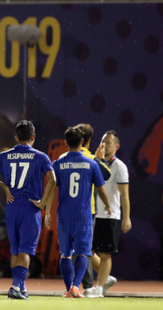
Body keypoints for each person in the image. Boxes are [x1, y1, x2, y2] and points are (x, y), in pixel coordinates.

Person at [0, 120, 55, 300]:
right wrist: (43, 203)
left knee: (15, 251)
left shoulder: (5, 155)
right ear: (33, 137)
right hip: (30, 208)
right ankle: (15, 286)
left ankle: (20, 286)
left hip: (12, 207)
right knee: (26, 251)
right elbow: (52, 180)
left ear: (16, 137)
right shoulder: (40, 156)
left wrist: (4, 188)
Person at [35, 127, 111, 298]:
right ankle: (76, 287)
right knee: (83, 252)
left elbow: (51, 187)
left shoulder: (58, 163)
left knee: (65, 254)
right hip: (83, 216)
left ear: (66, 142)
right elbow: (102, 190)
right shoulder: (91, 163)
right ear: (82, 142)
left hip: (64, 216)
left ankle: (68, 288)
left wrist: (47, 212)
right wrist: (108, 206)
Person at [89, 130, 132, 297]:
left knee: (105, 254)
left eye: (108, 142)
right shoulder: (96, 163)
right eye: (102, 141)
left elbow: (125, 195)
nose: (104, 145)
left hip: (110, 216)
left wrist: (126, 217)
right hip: (94, 215)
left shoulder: (120, 167)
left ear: (116, 146)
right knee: (87, 252)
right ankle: (105, 278)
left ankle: (99, 289)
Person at [75, 123, 112, 297]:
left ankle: (73, 286)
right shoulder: (90, 159)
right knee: (85, 249)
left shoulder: (65, 156)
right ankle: (88, 286)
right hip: (86, 210)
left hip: (66, 210)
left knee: (74, 250)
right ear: (87, 141)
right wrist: (101, 158)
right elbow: (105, 174)